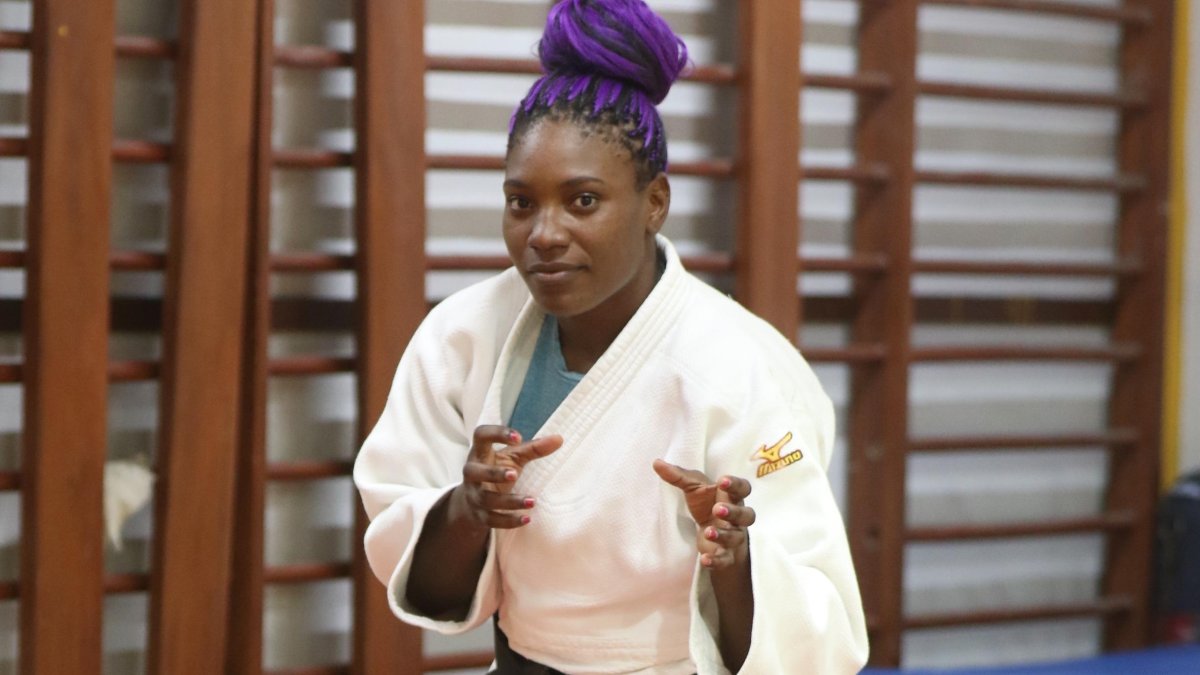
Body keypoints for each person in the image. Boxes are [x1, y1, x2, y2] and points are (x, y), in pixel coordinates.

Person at [353, 0, 869, 672]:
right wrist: (467, 509)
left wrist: (735, 560)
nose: (544, 234)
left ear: (655, 202)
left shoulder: (741, 363)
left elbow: (815, 635)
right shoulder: (462, 336)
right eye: (521, 202)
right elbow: (427, 586)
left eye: (583, 200)